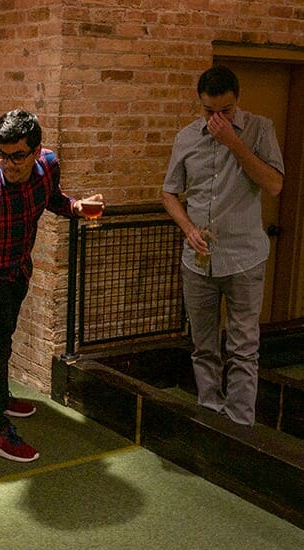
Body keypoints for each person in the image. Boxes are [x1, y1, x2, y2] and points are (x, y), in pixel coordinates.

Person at [0, 109, 101, 463]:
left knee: (3, 343)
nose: (8, 163)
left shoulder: (48, 165)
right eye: (1, 154)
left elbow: (51, 197)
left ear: (36, 151)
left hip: (19, 269)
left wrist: (76, 207)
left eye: (17, 155)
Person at [162, 65, 284, 427]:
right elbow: (169, 192)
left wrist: (233, 140)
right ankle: (210, 414)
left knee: (244, 347)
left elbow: (274, 184)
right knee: (203, 345)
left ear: (237, 101)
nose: (217, 119)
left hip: (245, 257)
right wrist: (187, 227)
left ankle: (240, 424)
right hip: (198, 260)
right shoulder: (186, 137)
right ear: (200, 104)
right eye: (209, 112)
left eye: (225, 111)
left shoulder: (261, 130)